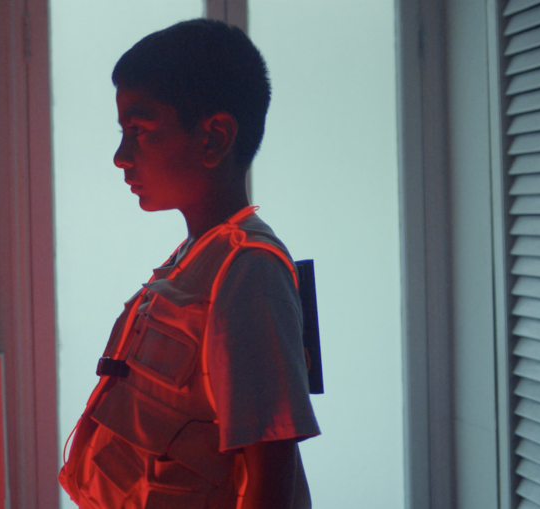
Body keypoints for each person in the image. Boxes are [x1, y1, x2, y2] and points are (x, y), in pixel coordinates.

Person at [59, 18, 320, 509]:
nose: (121, 156)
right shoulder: (193, 259)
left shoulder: (247, 268)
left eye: (139, 131)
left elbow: (271, 474)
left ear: (214, 138)